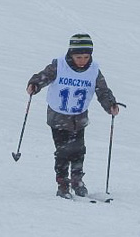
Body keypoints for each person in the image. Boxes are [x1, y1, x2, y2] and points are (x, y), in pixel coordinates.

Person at [26, 33, 119, 199]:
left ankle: (77, 180)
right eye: (78, 57)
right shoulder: (59, 66)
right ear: (71, 54)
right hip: (58, 117)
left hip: (79, 117)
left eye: (86, 56)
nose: (82, 60)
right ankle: (62, 183)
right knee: (62, 152)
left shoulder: (94, 71)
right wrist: (34, 84)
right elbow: (43, 76)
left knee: (78, 150)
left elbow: (102, 91)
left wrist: (110, 104)